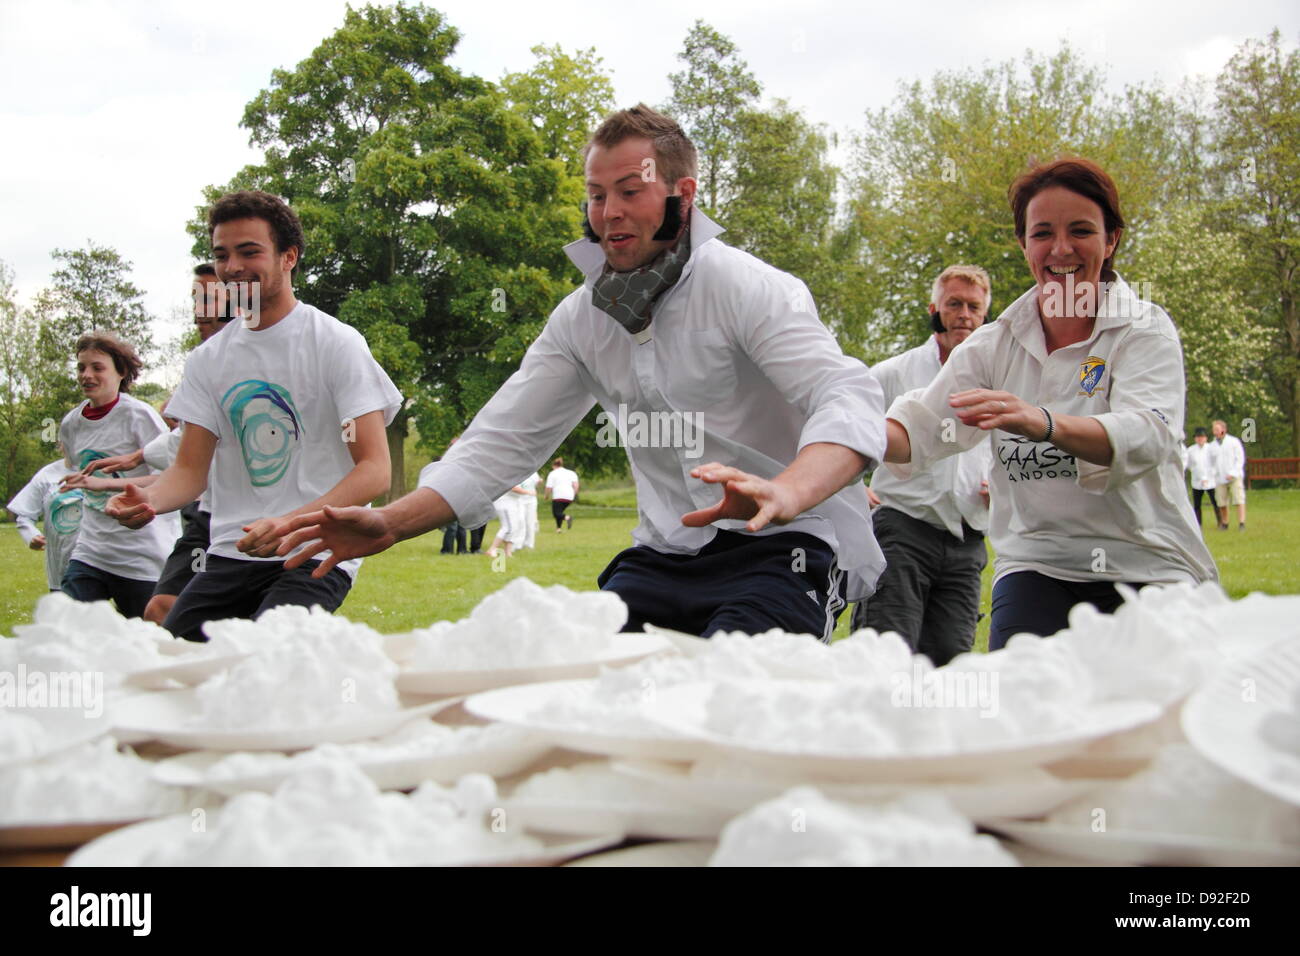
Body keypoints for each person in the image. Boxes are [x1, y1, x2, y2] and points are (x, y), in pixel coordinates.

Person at [277, 104, 886, 641]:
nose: (609, 213)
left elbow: (846, 393)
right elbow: (499, 444)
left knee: (729, 699)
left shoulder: (744, 286)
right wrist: (388, 521)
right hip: (665, 554)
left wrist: (789, 490)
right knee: (582, 690)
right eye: (597, 195)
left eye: (630, 191)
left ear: (684, 194)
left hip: (786, 549)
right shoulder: (580, 320)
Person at [883, 158, 1217, 650]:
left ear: (1112, 239)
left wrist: (1040, 421)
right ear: (1024, 244)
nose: (1060, 249)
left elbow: (1149, 434)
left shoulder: (1143, 329)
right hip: (1039, 564)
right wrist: (838, 426)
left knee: (1163, 722)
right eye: (1042, 233)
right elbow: (919, 431)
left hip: (1151, 561)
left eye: (1081, 230)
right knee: (1024, 711)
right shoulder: (992, 346)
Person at [105, 190, 401, 641]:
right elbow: (189, 471)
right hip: (229, 553)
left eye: (249, 251)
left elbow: (375, 470)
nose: (233, 267)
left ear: (288, 257)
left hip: (311, 550)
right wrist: (150, 501)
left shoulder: (335, 343)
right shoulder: (208, 360)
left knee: (267, 660)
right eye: (222, 255)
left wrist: (291, 522)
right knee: (181, 669)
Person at [65, 264, 231, 625]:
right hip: (206, 515)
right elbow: (180, 446)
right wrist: (135, 457)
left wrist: (117, 479)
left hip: (252, 520)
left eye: (209, 297)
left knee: (231, 627)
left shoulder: (267, 360)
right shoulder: (202, 365)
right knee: (159, 613)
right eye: (194, 298)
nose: (199, 308)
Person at [851, 265, 993, 666]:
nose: (964, 314)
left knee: (950, 659)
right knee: (887, 651)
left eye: (973, 306)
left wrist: (1001, 486)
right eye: (954, 304)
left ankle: (932, 730)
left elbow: (1007, 447)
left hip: (967, 538)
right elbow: (844, 423)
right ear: (935, 308)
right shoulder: (896, 372)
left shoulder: (998, 378)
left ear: (985, 315)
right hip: (902, 529)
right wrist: (849, 485)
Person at [57, 332, 179, 617]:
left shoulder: (139, 416)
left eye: (97, 367)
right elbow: (82, 477)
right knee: (70, 625)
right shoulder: (71, 424)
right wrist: (89, 485)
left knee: (146, 643)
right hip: (91, 549)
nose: (86, 375)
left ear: (120, 372)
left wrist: (103, 485)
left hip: (141, 554)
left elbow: (171, 477)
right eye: (81, 367)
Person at [7, 455, 83, 592]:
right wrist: (31, 536)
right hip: (61, 567)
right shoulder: (47, 475)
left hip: (101, 562)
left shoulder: (106, 471)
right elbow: (24, 515)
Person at [1211, 419, 1246, 531]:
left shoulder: (1233, 442)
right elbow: (1210, 462)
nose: (1215, 432)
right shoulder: (1212, 445)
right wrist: (1213, 474)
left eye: (1217, 429)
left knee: (1238, 499)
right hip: (1219, 477)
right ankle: (1225, 523)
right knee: (1221, 502)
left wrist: (1233, 473)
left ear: (1223, 430)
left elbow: (1240, 458)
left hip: (1234, 476)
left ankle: (1241, 523)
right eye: (1214, 429)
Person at [1183, 426, 1219, 529]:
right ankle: (1198, 524)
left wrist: (1209, 476)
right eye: (1198, 437)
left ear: (1206, 438)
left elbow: (1215, 463)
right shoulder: (1191, 450)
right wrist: (1197, 474)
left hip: (1210, 479)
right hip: (1197, 480)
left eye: (1202, 437)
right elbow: (1189, 464)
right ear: (1195, 438)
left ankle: (1221, 522)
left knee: (1215, 502)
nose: (1200, 439)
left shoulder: (1211, 448)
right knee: (1197, 504)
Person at [545, 457, 580, 532]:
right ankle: (558, 529)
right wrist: (574, 495)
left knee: (556, 513)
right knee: (559, 512)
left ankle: (568, 518)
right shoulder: (571, 472)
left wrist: (546, 496)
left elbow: (548, 487)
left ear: (553, 466)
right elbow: (576, 485)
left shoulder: (552, 473)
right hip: (569, 496)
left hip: (558, 496)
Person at [519, 470, 541, 549]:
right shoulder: (519, 472)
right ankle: (519, 543)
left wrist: (539, 482)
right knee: (521, 521)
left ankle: (530, 544)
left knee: (530, 522)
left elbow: (537, 483)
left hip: (531, 501)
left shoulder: (534, 473)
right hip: (520, 500)